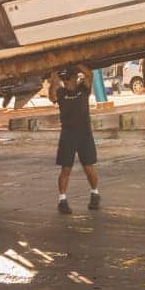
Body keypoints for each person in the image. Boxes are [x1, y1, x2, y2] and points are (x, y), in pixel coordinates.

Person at [48, 64, 100, 214]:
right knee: (66, 169)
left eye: (68, 79)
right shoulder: (61, 92)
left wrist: (76, 64)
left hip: (84, 134)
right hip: (68, 135)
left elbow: (90, 74)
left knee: (88, 167)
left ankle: (95, 194)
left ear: (75, 78)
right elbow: (52, 96)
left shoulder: (83, 90)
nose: (66, 82)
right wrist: (54, 79)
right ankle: (62, 200)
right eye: (65, 80)